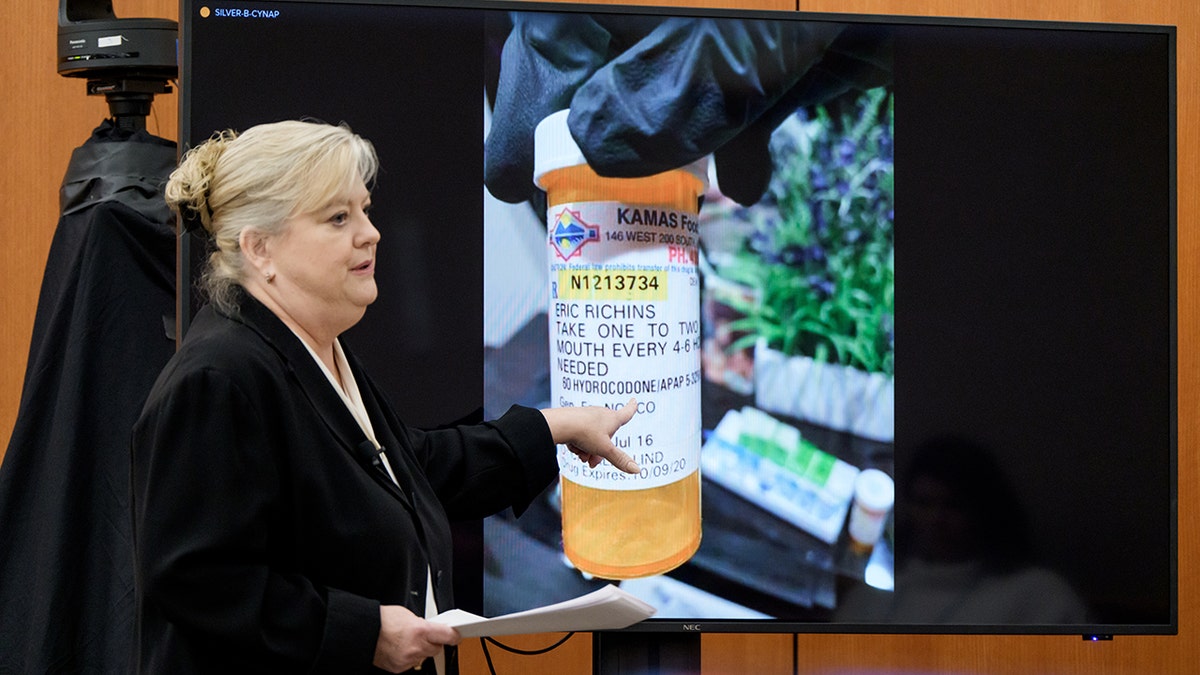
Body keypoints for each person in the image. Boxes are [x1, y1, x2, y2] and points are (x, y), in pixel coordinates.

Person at [130, 119, 641, 674]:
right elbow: (195, 580)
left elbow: (410, 474)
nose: (370, 233)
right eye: (338, 218)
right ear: (261, 249)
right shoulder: (217, 379)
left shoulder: (315, 348)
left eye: (365, 210)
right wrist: (363, 632)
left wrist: (553, 428)